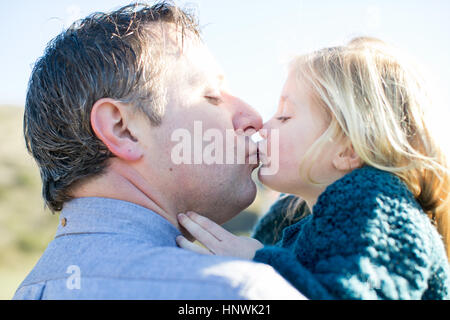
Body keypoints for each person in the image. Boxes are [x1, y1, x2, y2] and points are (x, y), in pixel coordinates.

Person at [13, 2, 306, 300]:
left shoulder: (29, 291)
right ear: (121, 129)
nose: (253, 117)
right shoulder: (233, 291)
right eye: (212, 96)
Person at [176, 37, 450, 299]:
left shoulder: (378, 205)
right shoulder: (291, 215)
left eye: (284, 116)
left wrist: (259, 266)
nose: (264, 126)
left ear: (348, 149)